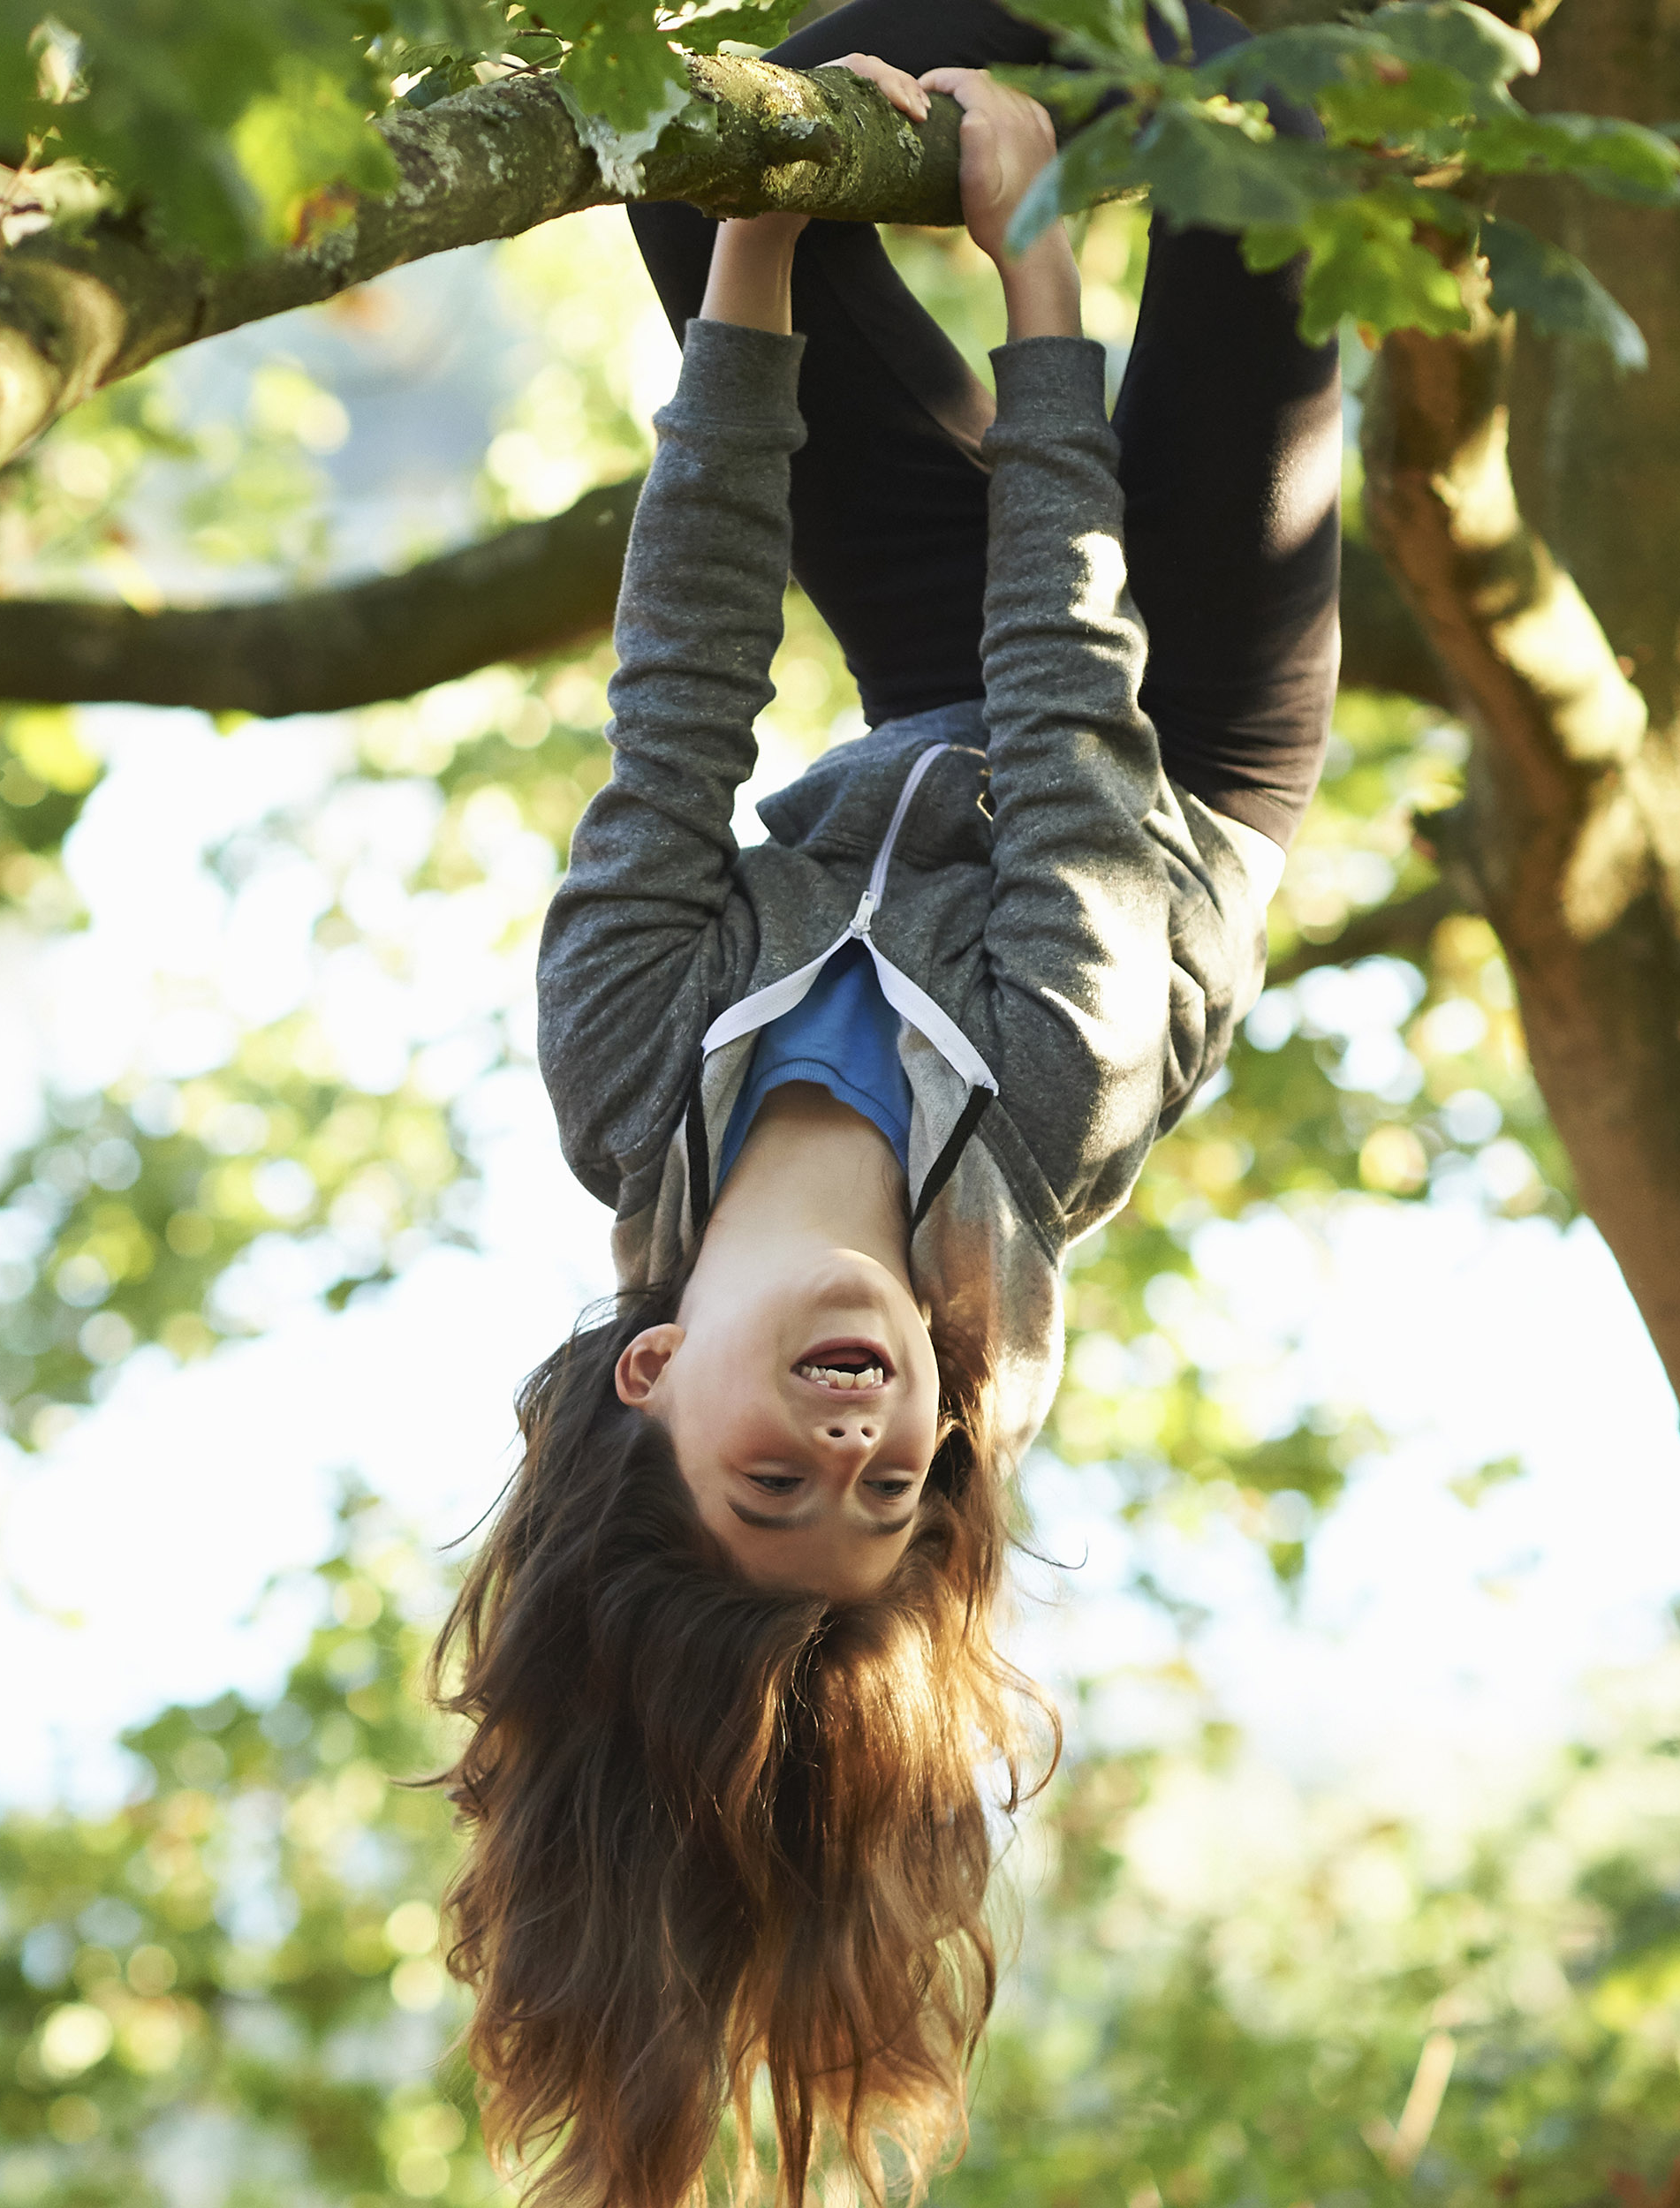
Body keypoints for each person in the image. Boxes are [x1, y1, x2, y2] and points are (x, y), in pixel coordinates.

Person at [434, 3, 1343, 2202]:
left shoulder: (626, 1073)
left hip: (932, 683)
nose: (856, 1442)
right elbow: (1068, 704)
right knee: (1276, 124)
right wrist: (1034, 281)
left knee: (701, 131)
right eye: (879, 1492)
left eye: (775, 1472)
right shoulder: (1049, 1115)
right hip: (1158, 733)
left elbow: (681, 687)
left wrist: (751, 250)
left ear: (650, 1373)